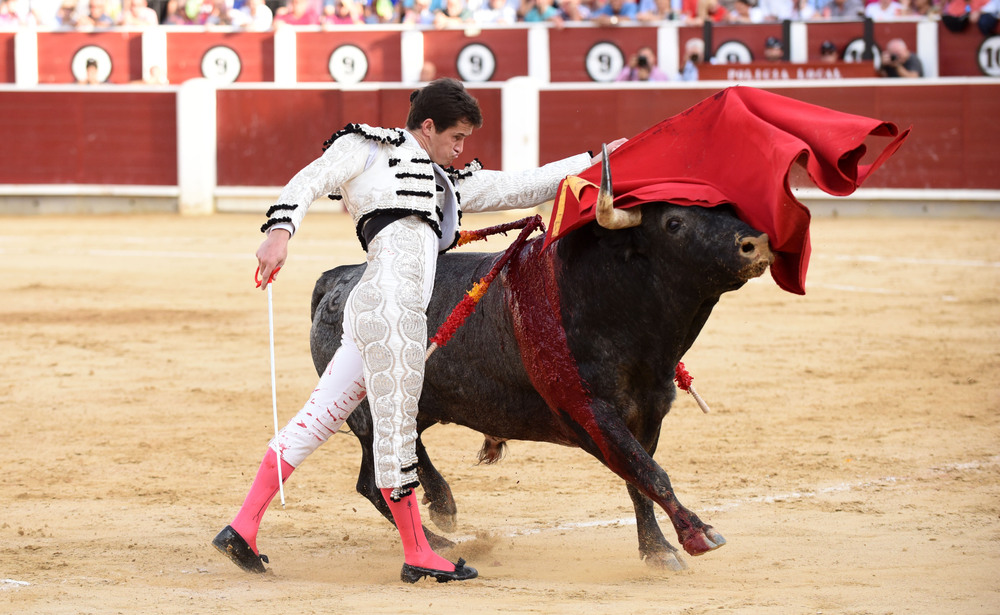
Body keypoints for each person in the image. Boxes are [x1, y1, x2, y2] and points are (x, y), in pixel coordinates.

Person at [212, 78, 625, 584]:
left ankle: (242, 527)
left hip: (380, 308)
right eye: (456, 137)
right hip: (393, 311)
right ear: (427, 127)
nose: (461, 149)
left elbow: (526, 184)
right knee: (396, 430)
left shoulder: (446, 181)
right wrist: (280, 233)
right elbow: (309, 180)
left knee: (318, 419)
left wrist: (600, 157)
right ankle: (417, 552)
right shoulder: (366, 147)